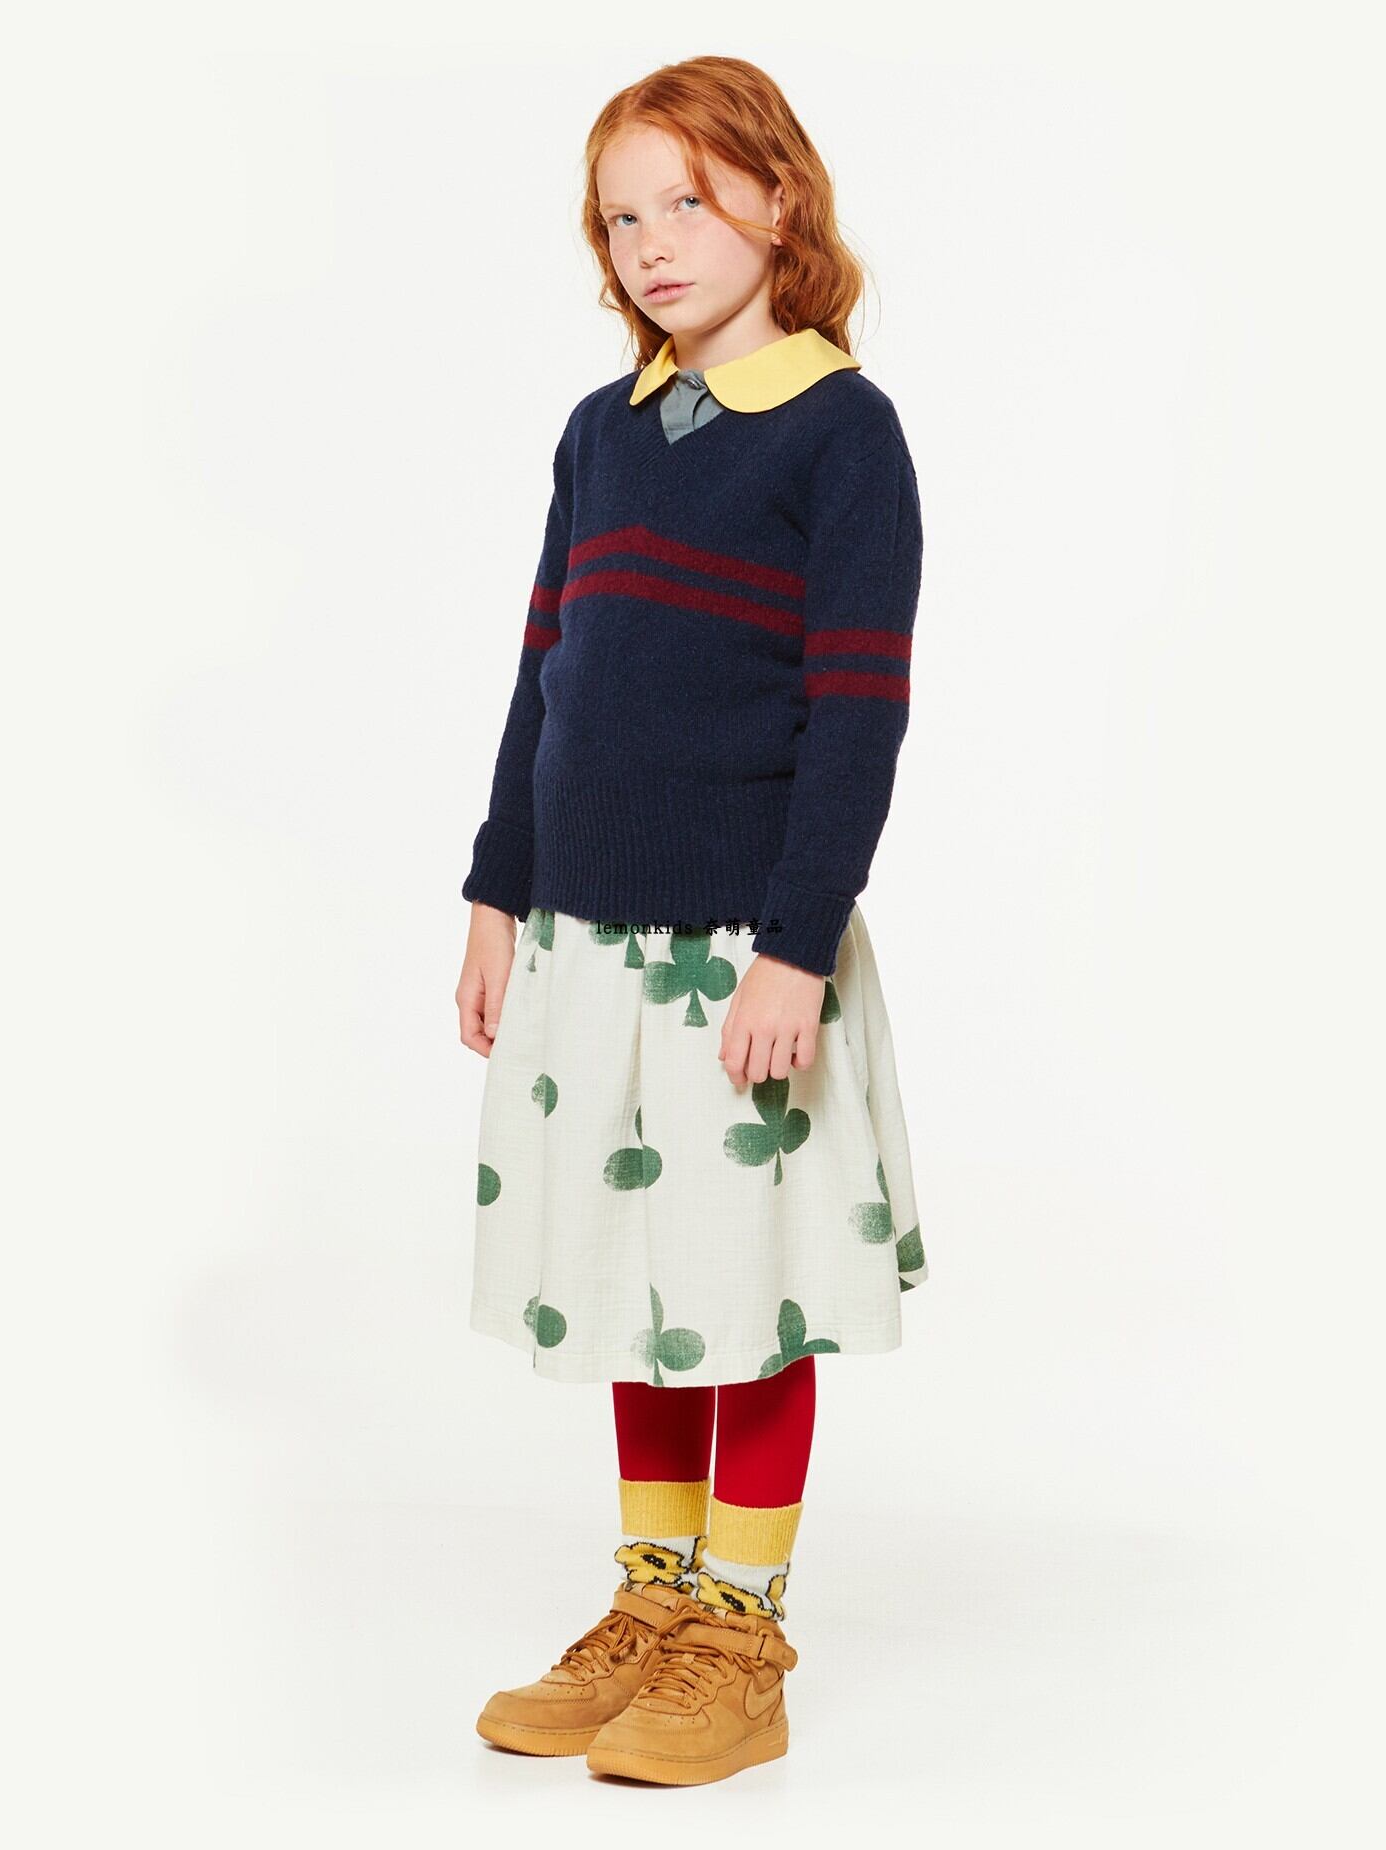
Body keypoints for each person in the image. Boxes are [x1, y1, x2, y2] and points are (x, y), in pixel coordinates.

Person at [455, 54, 927, 1787]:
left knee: (743, 1280)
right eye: (620, 217)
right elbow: (545, 669)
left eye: (688, 201)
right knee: (631, 1273)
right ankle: (652, 1598)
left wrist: (797, 941)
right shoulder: (602, 433)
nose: (651, 242)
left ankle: (740, 1632)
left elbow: (857, 708)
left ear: (776, 202)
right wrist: (497, 886)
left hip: (742, 947)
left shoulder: (841, 432)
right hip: (584, 938)